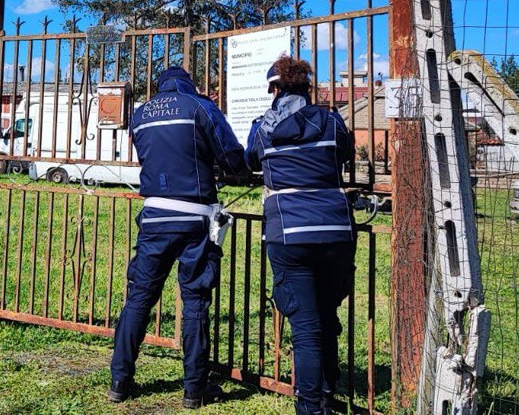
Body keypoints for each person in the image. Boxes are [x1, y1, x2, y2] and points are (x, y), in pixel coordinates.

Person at [109, 66, 246, 409]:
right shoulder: (199, 107)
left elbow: (150, 159)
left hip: (154, 216)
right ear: (190, 84)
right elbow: (229, 155)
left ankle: (119, 382)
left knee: (139, 299)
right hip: (195, 218)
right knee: (195, 301)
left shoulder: (140, 115)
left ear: (160, 87)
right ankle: (194, 390)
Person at [246, 56, 356, 415]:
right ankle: (326, 392)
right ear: (308, 88)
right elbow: (346, 153)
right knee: (326, 316)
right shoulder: (331, 121)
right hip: (335, 232)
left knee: (306, 328)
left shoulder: (263, 127)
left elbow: (250, 161)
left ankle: (310, 407)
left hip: (289, 232)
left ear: (274, 89)